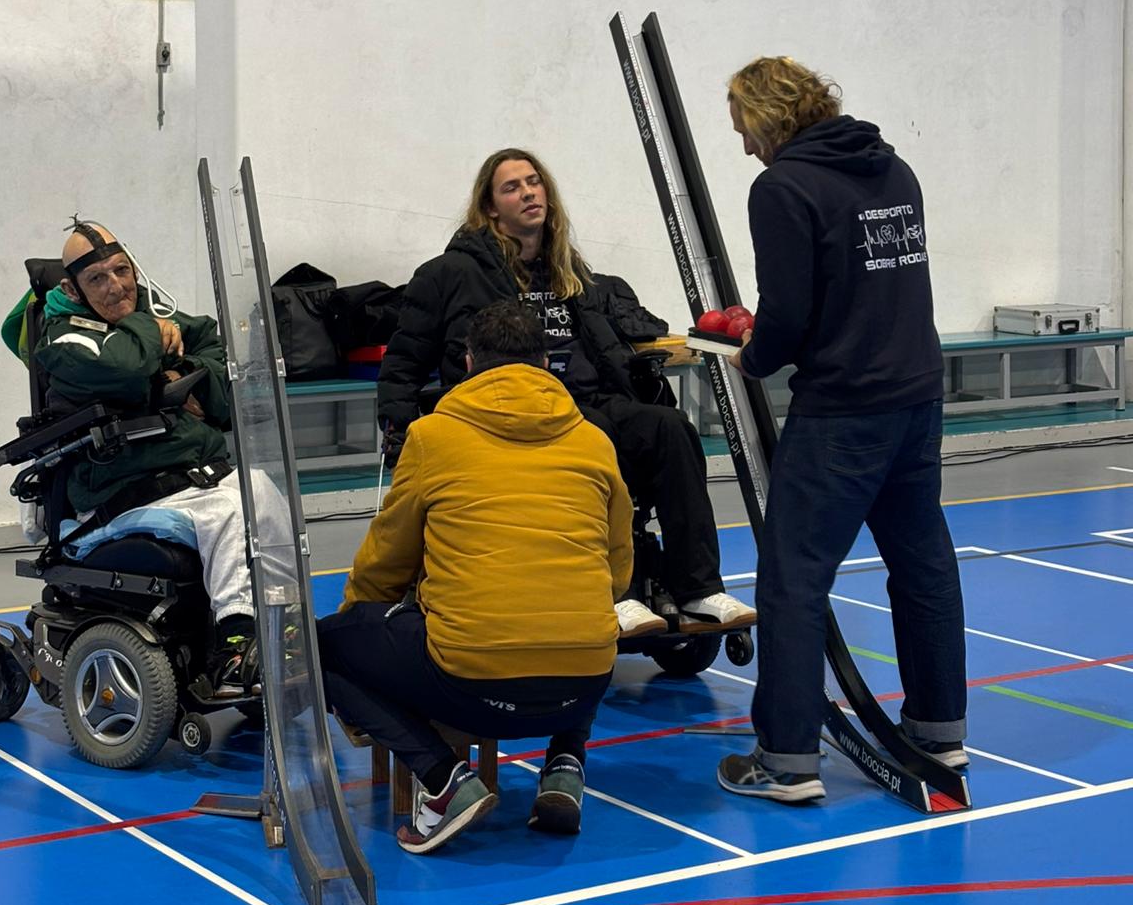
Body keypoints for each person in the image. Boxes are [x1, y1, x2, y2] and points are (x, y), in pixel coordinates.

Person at [716, 57, 966, 803]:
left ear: (768, 118)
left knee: (792, 579)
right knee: (923, 565)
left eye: (744, 129)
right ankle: (940, 730)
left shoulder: (783, 187)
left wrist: (750, 356)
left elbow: (788, 315)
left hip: (845, 410)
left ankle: (786, 759)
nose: (745, 146)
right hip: (916, 395)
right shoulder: (894, 169)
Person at [376, 148, 754, 636]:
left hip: (590, 402)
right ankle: (614, 593)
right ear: (490, 207)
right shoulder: (449, 274)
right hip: (513, 415)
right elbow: (403, 362)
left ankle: (698, 588)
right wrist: (400, 433)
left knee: (670, 429)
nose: (528, 192)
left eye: (534, 182)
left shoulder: (568, 269)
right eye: (512, 187)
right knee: (593, 436)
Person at [318, 300, 633, 855]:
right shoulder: (594, 441)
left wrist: (363, 621)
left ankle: (444, 781)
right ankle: (565, 763)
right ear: (547, 362)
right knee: (574, 615)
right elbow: (616, 572)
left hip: (470, 687)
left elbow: (386, 560)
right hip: (584, 687)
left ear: (467, 362)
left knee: (320, 647)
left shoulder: (433, 436)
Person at [35, 220, 256, 694]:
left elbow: (214, 348)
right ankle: (235, 647)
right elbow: (126, 365)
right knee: (228, 511)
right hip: (121, 489)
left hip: (188, 474)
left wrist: (187, 372)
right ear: (73, 290)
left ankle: (275, 633)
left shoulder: (155, 316)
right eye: (97, 279)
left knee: (266, 496)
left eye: (122, 270)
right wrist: (154, 339)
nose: (116, 287)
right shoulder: (64, 340)